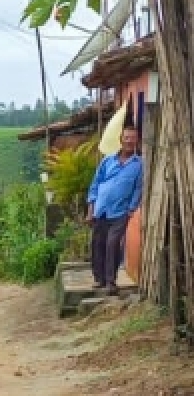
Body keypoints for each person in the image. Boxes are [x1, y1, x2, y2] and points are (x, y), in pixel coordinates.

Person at [87, 126, 143, 294]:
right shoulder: (107, 161)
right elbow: (95, 185)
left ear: (137, 141)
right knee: (98, 244)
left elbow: (138, 189)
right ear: (121, 139)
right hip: (101, 210)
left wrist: (131, 209)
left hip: (120, 212)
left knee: (113, 244)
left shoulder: (139, 165)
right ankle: (100, 279)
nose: (129, 141)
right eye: (126, 137)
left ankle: (111, 281)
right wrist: (91, 209)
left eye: (132, 138)